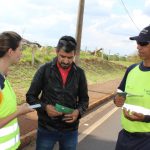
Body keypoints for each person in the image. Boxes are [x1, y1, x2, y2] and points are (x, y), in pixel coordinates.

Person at [26, 35, 89, 150]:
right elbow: (30, 98)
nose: (66, 61)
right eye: (62, 56)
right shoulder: (44, 70)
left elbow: (84, 100)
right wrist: (45, 107)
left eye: (70, 57)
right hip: (46, 129)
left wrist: (78, 112)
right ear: (56, 51)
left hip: (70, 130)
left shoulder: (80, 74)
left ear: (75, 54)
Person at [114, 25, 150, 150]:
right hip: (125, 137)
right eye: (137, 42)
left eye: (143, 43)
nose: (138, 46)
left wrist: (145, 118)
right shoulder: (131, 69)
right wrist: (117, 100)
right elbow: (120, 93)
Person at [0, 31, 34, 150]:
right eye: (20, 49)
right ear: (10, 51)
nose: (22, 53)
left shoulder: (4, 79)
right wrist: (19, 112)